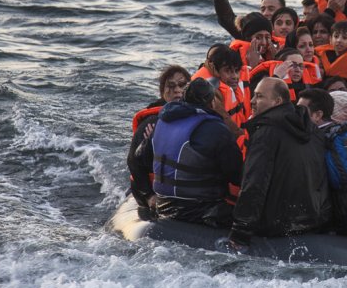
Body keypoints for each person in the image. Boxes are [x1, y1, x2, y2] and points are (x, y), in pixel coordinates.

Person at [228, 77, 332, 249]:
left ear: (277, 101)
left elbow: (254, 183)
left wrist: (240, 231)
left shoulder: (266, 132)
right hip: (311, 220)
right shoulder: (312, 130)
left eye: (259, 96)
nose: (252, 101)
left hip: (276, 224)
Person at [146, 78, 244, 227]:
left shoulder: (162, 121)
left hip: (162, 204)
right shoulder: (216, 129)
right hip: (201, 211)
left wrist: (147, 197)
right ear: (212, 103)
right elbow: (237, 176)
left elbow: (140, 157)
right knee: (256, 219)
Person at [127, 65, 191, 209]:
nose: (177, 90)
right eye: (171, 86)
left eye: (182, 85)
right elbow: (133, 161)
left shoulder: (195, 117)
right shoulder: (151, 122)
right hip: (150, 188)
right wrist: (149, 195)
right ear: (163, 91)